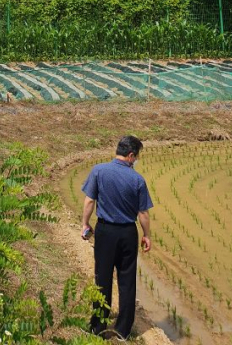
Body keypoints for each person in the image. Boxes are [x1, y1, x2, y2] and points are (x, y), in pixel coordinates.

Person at [81, 135, 152, 341]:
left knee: (102, 278)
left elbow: (89, 201)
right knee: (127, 280)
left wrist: (85, 224)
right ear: (131, 155)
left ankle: (98, 325)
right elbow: (143, 214)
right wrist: (147, 235)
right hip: (128, 233)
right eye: (137, 156)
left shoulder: (99, 171)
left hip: (105, 232)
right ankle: (123, 330)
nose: (136, 160)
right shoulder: (137, 179)